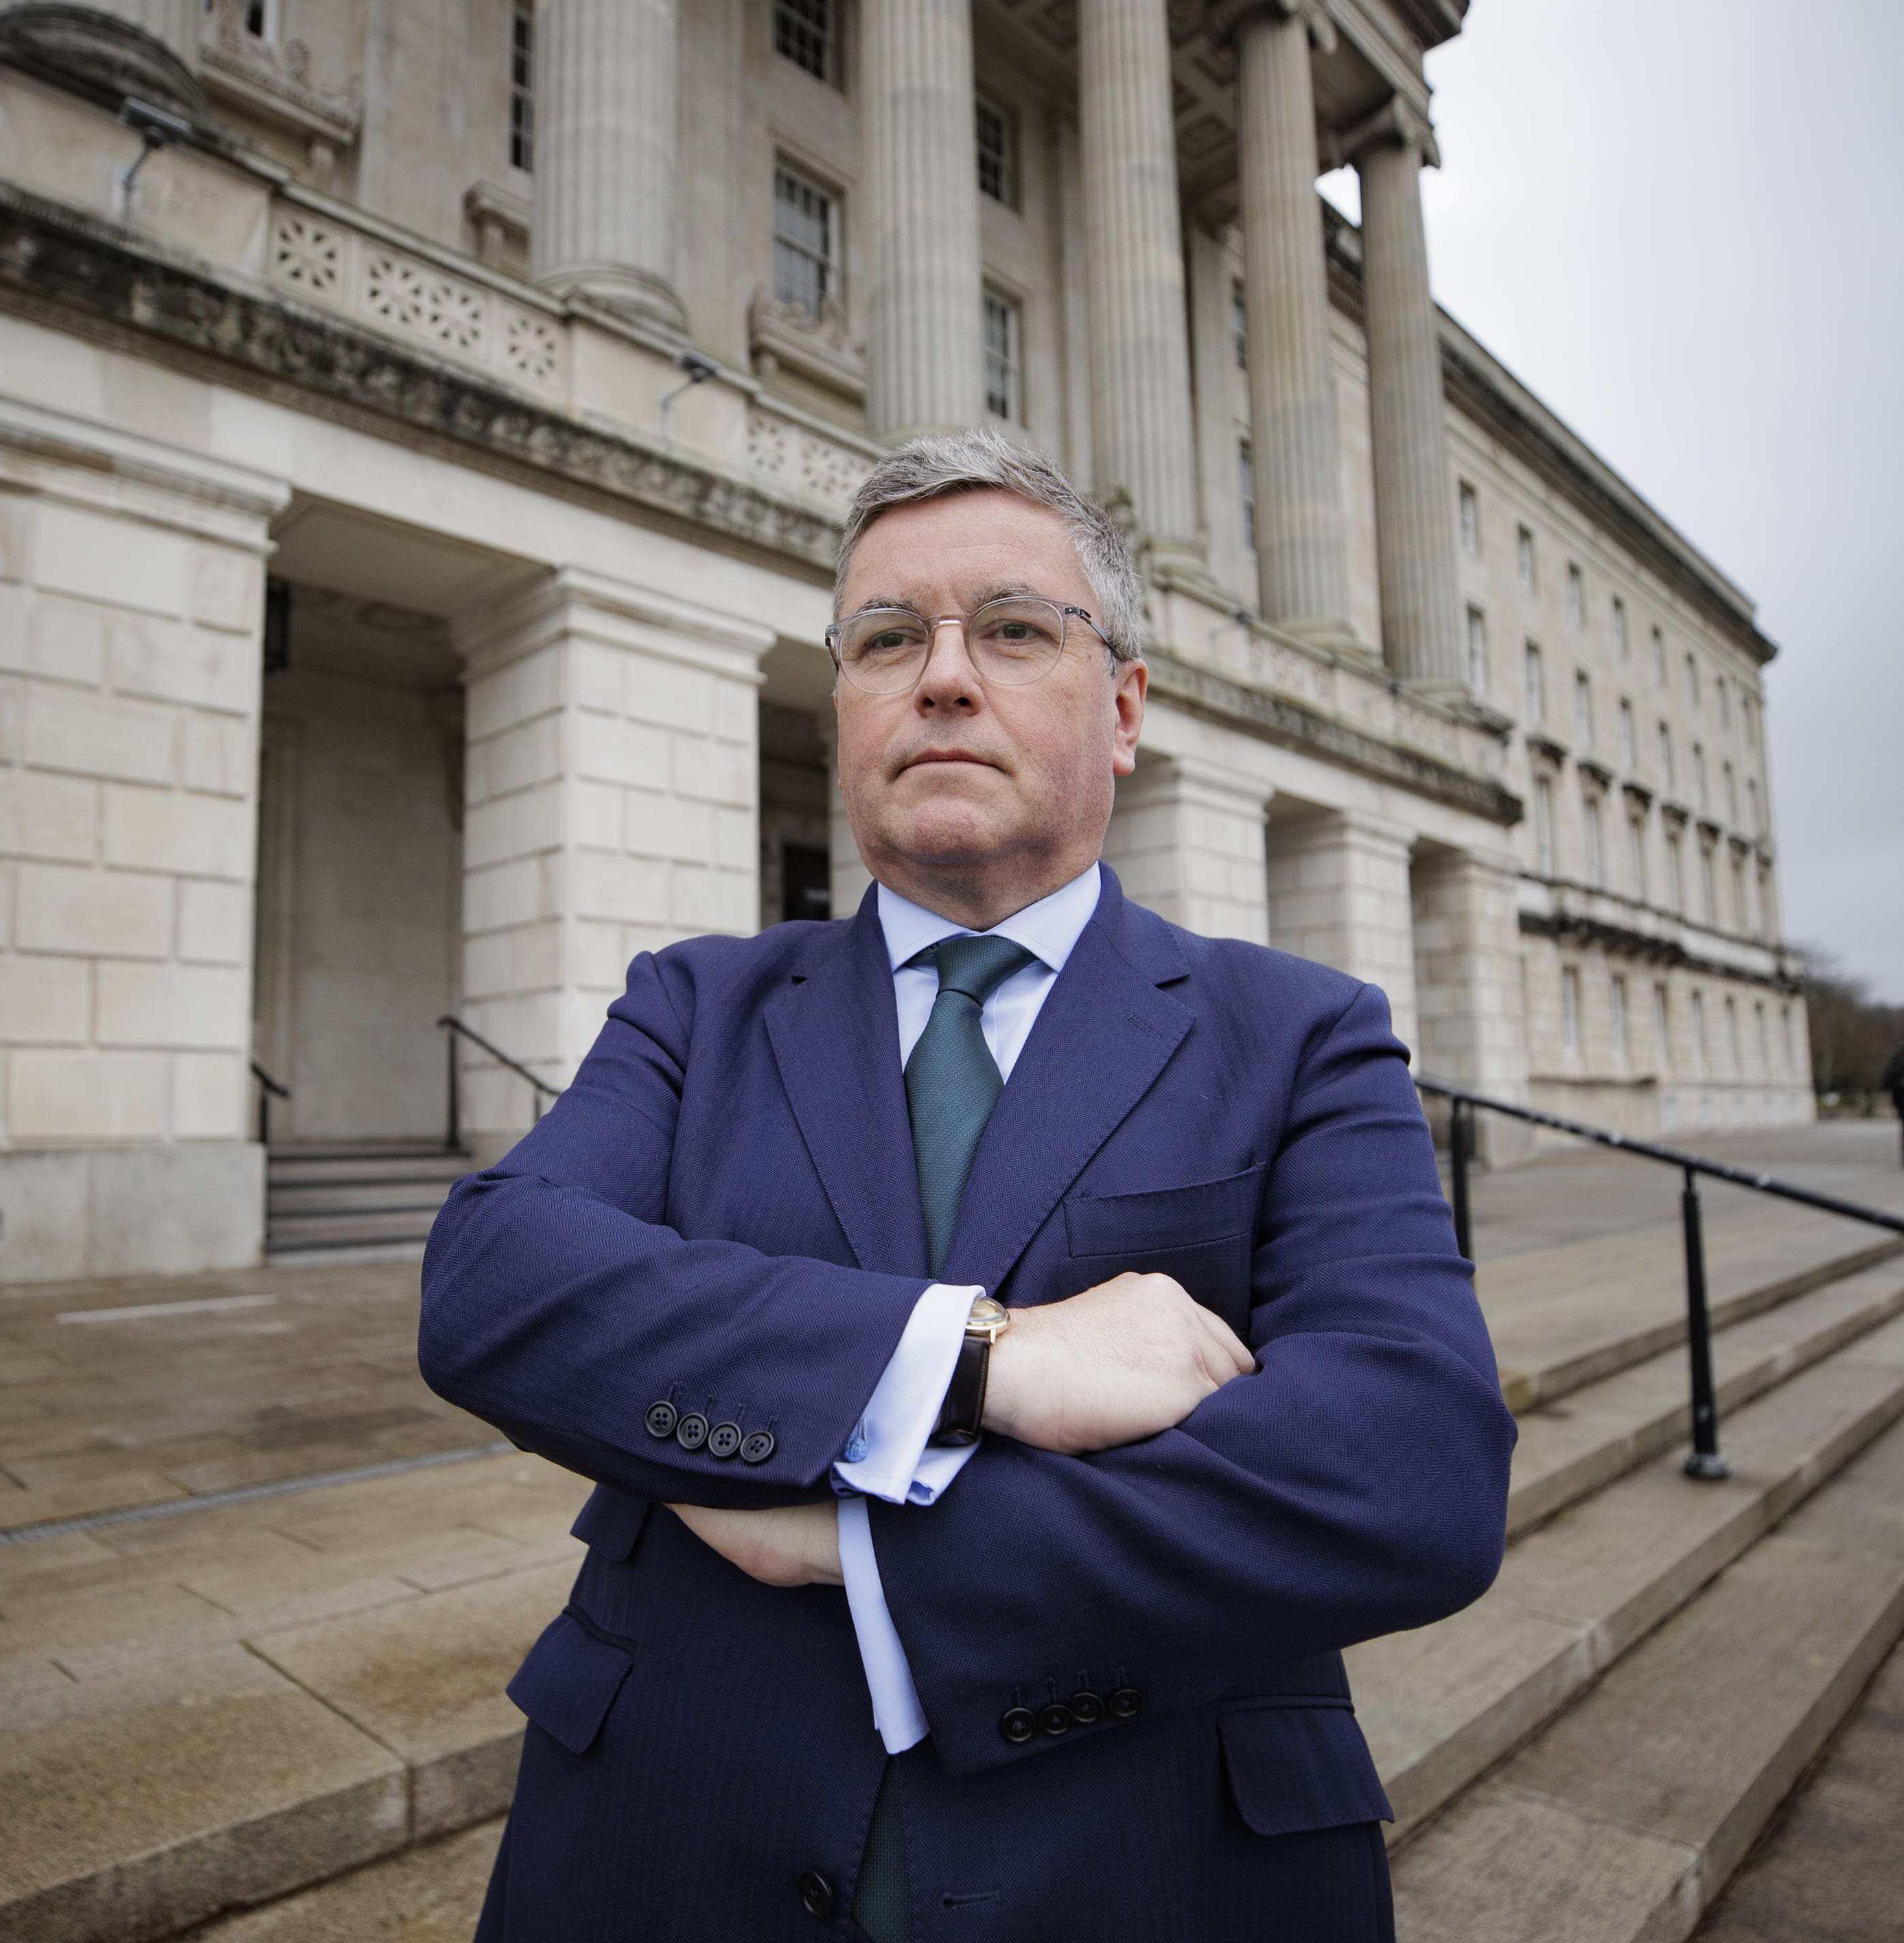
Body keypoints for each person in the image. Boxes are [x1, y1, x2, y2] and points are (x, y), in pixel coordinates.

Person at [419, 432, 1516, 1940]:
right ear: (843, 706)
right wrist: (985, 1360)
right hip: (665, 1851)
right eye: (886, 638)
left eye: (1009, 629)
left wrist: (861, 1537)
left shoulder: (1299, 1034)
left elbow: (1412, 1472)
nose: (941, 677)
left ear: (1123, 707)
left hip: (1150, 1872)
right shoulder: (695, 1005)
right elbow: (501, 1283)